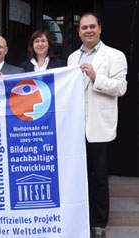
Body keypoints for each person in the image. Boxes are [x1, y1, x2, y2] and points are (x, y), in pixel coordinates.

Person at [67, 13, 127, 238]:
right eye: (84, 27)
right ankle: (81, 219)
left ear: (100, 29)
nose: (88, 30)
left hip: (99, 126)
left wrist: (95, 78)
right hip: (74, 127)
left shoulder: (115, 55)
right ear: (79, 31)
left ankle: (99, 224)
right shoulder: (72, 58)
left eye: (92, 26)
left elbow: (121, 88)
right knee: (78, 176)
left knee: (99, 178)